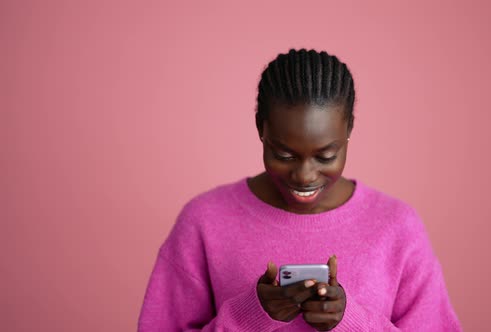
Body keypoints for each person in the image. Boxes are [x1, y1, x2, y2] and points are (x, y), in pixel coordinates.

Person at [138, 49, 462, 331]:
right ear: (260, 128)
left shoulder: (397, 226)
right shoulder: (204, 221)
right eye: (284, 155)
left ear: (349, 129)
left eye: (326, 156)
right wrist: (250, 316)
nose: (304, 176)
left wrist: (349, 321)